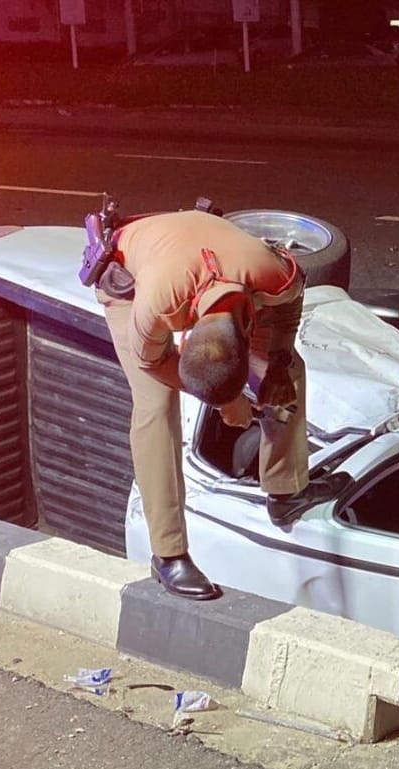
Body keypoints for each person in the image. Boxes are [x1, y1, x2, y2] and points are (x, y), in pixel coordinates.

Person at [94, 209, 337, 600]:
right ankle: (168, 554)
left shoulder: (273, 273)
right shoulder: (154, 306)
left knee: (288, 372)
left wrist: (276, 360)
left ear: (248, 326)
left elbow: (289, 307)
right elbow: (151, 361)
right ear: (184, 335)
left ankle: (287, 490)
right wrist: (231, 402)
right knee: (155, 407)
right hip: (127, 277)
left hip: (213, 260)